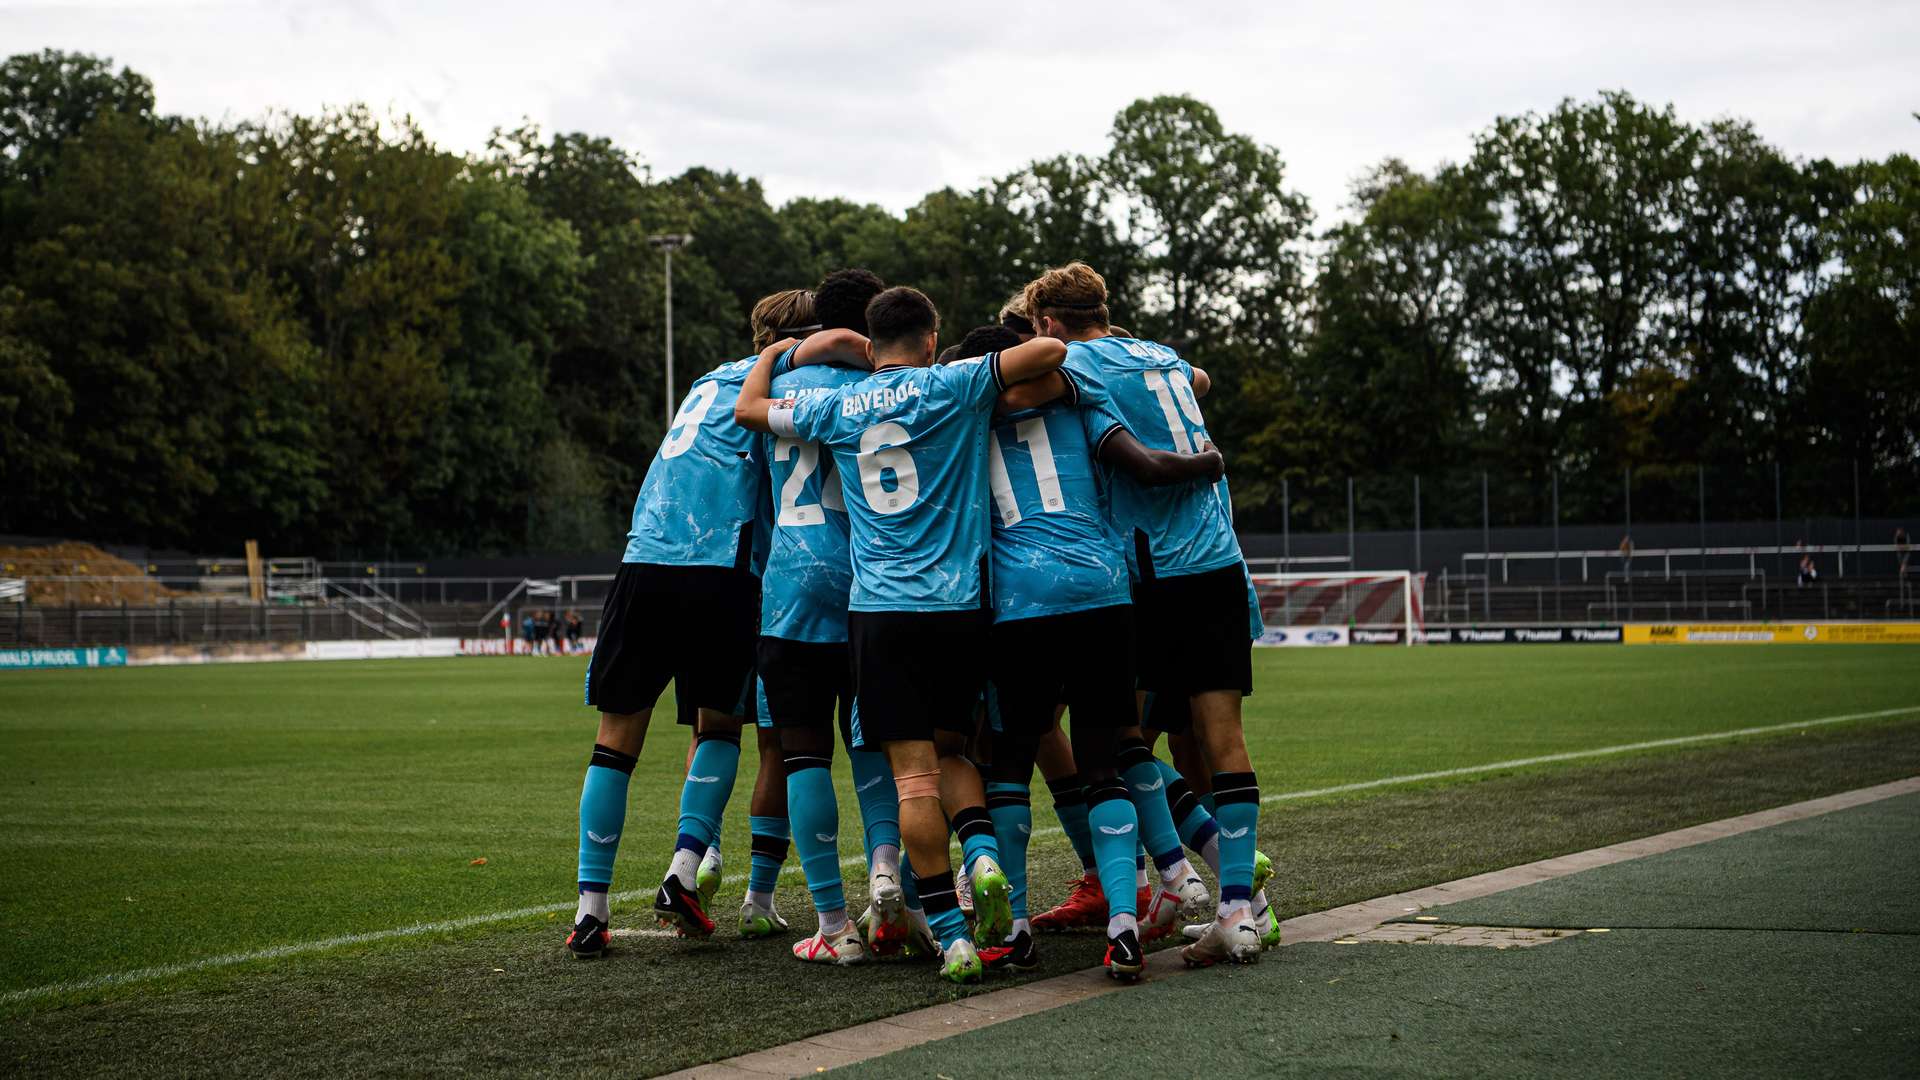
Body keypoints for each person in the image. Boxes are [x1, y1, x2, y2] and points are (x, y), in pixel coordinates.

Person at [736, 286, 1068, 984]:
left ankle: (952, 941)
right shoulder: (951, 383)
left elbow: (750, 410)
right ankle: (982, 856)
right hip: (956, 608)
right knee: (953, 757)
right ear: (928, 337)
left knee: (911, 778)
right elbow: (1051, 350)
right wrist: (998, 368)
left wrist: (773, 351)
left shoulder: (837, 407)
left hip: (880, 615)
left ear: (870, 342)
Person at [958, 321, 1225, 980]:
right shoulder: (1086, 391)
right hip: (1104, 594)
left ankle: (1014, 930)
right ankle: (1124, 925)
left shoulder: (966, 410)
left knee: (1010, 766)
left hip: (1020, 600)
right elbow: (1159, 427)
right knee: (1104, 765)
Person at [1026, 262, 1266, 966]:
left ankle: (1170, 877)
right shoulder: (1161, 354)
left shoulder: (1075, 365)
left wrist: (1204, 463)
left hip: (1154, 573)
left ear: (1047, 325)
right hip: (1220, 563)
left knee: (1121, 740)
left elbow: (1142, 465)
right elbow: (1198, 383)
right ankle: (1238, 909)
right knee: (1225, 738)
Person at [563, 290, 798, 959]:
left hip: (644, 558)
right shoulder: (784, 384)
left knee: (614, 743)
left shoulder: (705, 379)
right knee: (719, 724)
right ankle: (683, 868)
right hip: (720, 562)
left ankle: (590, 911)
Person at [748, 270, 918, 966]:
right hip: (873, 583)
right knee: (877, 743)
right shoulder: (885, 390)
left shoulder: (779, 389)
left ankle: (833, 926)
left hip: (792, 581)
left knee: (803, 752)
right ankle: (886, 872)